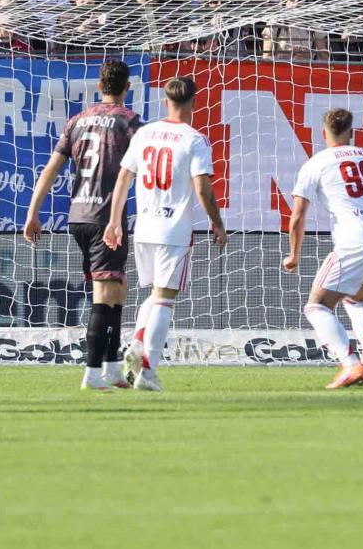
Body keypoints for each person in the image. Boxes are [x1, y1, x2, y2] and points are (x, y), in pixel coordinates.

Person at [24, 60, 143, 391]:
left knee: (117, 291)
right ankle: (91, 374)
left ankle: (113, 369)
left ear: (99, 86)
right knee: (104, 296)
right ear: (126, 87)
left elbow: (50, 168)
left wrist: (33, 212)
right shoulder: (130, 122)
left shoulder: (77, 120)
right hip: (106, 218)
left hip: (77, 217)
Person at [104, 76, 225, 391]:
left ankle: (138, 342)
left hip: (143, 226)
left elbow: (124, 178)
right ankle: (149, 369)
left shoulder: (145, 133)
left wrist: (114, 221)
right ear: (194, 102)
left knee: (156, 296)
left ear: (165, 101)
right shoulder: (194, 139)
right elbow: (202, 187)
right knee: (164, 300)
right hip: (173, 228)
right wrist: (217, 222)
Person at [283, 108, 363, 388]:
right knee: (355, 298)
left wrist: (294, 255)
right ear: (352, 133)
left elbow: (298, 215)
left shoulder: (316, 163)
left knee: (316, 306)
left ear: (323, 133)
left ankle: (351, 365)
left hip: (354, 240)